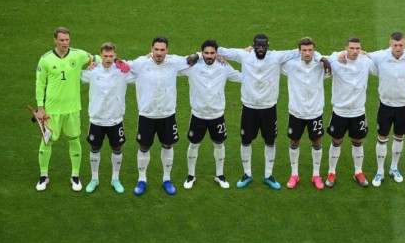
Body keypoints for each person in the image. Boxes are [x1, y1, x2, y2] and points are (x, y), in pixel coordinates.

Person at [218, 34, 328, 190]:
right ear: (253, 45)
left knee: (270, 141)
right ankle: (247, 174)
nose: (261, 49)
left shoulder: (276, 57)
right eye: (258, 46)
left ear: (268, 45)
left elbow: (301, 52)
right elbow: (218, 50)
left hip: (269, 108)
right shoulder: (244, 55)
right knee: (246, 140)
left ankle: (268, 175)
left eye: (263, 46)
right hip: (249, 107)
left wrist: (322, 57)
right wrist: (213, 56)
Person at [34, 27, 98, 192]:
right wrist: (40, 109)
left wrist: (94, 63)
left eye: (67, 40)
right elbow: (40, 85)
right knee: (47, 141)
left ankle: (75, 176)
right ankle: (43, 176)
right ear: (55, 40)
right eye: (61, 40)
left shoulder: (78, 55)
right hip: (51, 111)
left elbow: (99, 57)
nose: (65, 43)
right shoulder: (45, 60)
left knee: (74, 140)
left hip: (72, 109)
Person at [129, 36, 193, 196]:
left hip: (167, 114)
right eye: (156, 49)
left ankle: (167, 179)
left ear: (167, 50)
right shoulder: (140, 63)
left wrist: (218, 56)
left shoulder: (174, 62)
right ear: (151, 49)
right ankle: (142, 179)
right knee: (144, 147)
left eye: (162, 50)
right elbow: (120, 65)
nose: (159, 53)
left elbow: (195, 58)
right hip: (146, 114)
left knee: (168, 145)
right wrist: (94, 62)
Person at [179, 40, 241, 189]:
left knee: (219, 144)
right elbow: (172, 65)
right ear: (202, 53)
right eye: (206, 53)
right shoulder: (192, 66)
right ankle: (191, 175)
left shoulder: (224, 67)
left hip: (217, 115)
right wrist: (196, 55)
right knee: (193, 144)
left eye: (212, 53)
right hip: (198, 115)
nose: (209, 56)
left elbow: (241, 77)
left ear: (217, 53)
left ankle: (219, 175)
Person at [365, 32, 405, 187]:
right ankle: (380, 171)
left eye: (401, 45)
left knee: (399, 135)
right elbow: (362, 55)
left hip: (403, 105)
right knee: (382, 136)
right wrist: (344, 54)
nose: (398, 48)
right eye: (395, 45)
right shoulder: (380, 56)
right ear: (390, 43)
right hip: (385, 105)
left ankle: (394, 168)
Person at [325, 37, 378, 188]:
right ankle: (331, 172)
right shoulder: (336, 60)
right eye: (351, 48)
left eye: (357, 48)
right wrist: (339, 54)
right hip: (340, 111)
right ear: (346, 48)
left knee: (358, 141)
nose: (355, 51)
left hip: (358, 111)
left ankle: (358, 172)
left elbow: (384, 57)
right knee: (336, 141)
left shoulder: (366, 61)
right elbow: (321, 58)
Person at [81, 42, 133, 193]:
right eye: (105, 56)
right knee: (94, 147)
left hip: (115, 118)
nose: (108, 58)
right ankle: (94, 178)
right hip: (96, 118)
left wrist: (149, 56)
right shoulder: (93, 70)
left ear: (116, 56)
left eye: (111, 56)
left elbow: (140, 69)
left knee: (117, 147)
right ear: (101, 55)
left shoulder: (123, 70)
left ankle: (115, 179)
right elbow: (75, 76)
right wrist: (87, 65)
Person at [281, 37, 329, 190]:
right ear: (299, 51)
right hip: (296, 112)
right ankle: (294, 174)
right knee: (294, 142)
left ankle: (316, 174)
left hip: (315, 112)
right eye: (304, 50)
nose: (307, 53)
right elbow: (273, 58)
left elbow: (341, 55)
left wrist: (321, 57)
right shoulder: (290, 65)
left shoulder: (321, 65)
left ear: (314, 50)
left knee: (317, 142)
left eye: (310, 50)